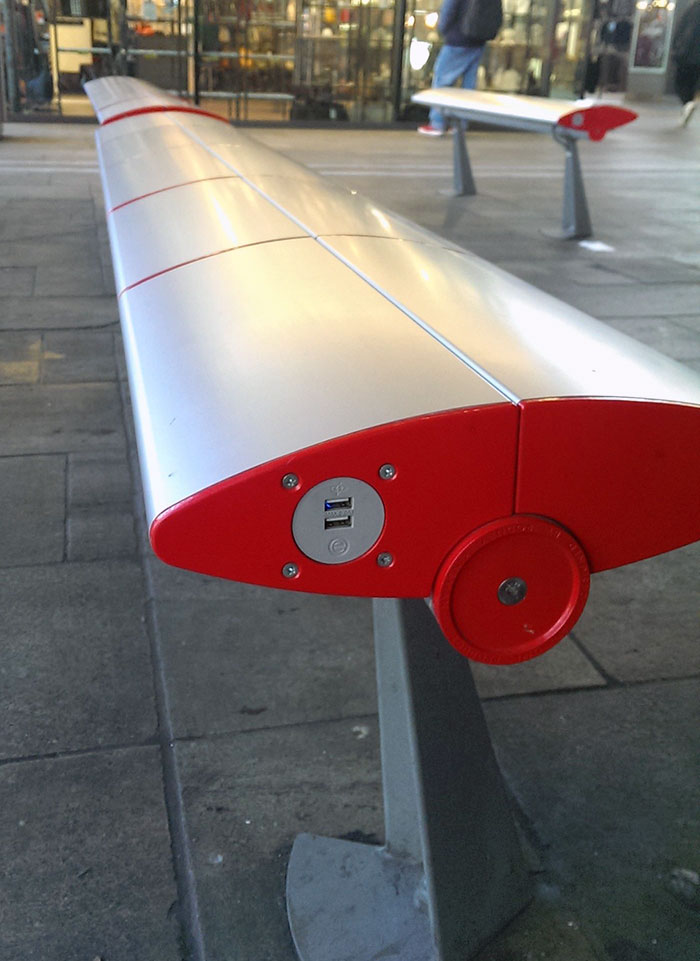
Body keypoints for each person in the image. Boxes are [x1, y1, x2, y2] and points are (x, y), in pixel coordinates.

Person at [418, 0, 503, 136]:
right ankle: (460, 125)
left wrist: (443, 30)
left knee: (442, 81)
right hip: (479, 38)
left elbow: (449, 9)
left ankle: (438, 123)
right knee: (468, 84)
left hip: (458, 38)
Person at [671, 0, 700, 126]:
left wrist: (675, 45)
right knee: (693, 82)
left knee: (682, 82)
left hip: (687, 53)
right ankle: (690, 103)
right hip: (692, 54)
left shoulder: (692, 9)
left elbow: (681, 27)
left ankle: (687, 103)